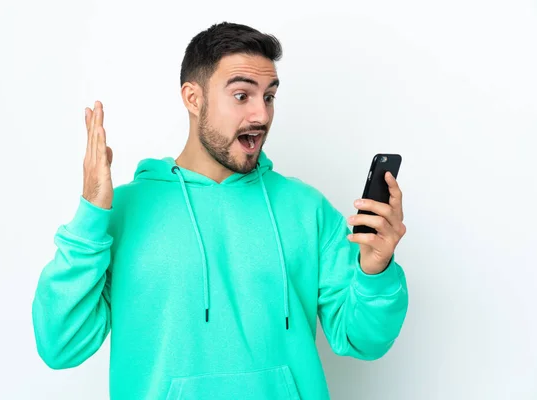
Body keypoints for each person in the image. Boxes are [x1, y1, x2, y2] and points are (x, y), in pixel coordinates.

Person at [31, 21, 409, 400]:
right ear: (193, 99)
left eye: (269, 97)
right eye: (242, 95)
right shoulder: (124, 211)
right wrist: (91, 216)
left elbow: (362, 340)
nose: (261, 115)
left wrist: (375, 271)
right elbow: (60, 345)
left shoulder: (307, 209)